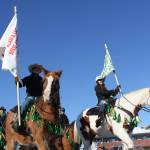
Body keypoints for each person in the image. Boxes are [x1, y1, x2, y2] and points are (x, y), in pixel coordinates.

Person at [13, 63, 44, 132]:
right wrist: (16, 80)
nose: (37, 70)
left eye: (38, 69)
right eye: (36, 68)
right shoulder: (28, 78)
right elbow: (20, 84)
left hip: (40, 98)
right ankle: (19, 119)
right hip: (31, 97)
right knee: (26, 104)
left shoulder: (42, 80)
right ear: (32, 70)